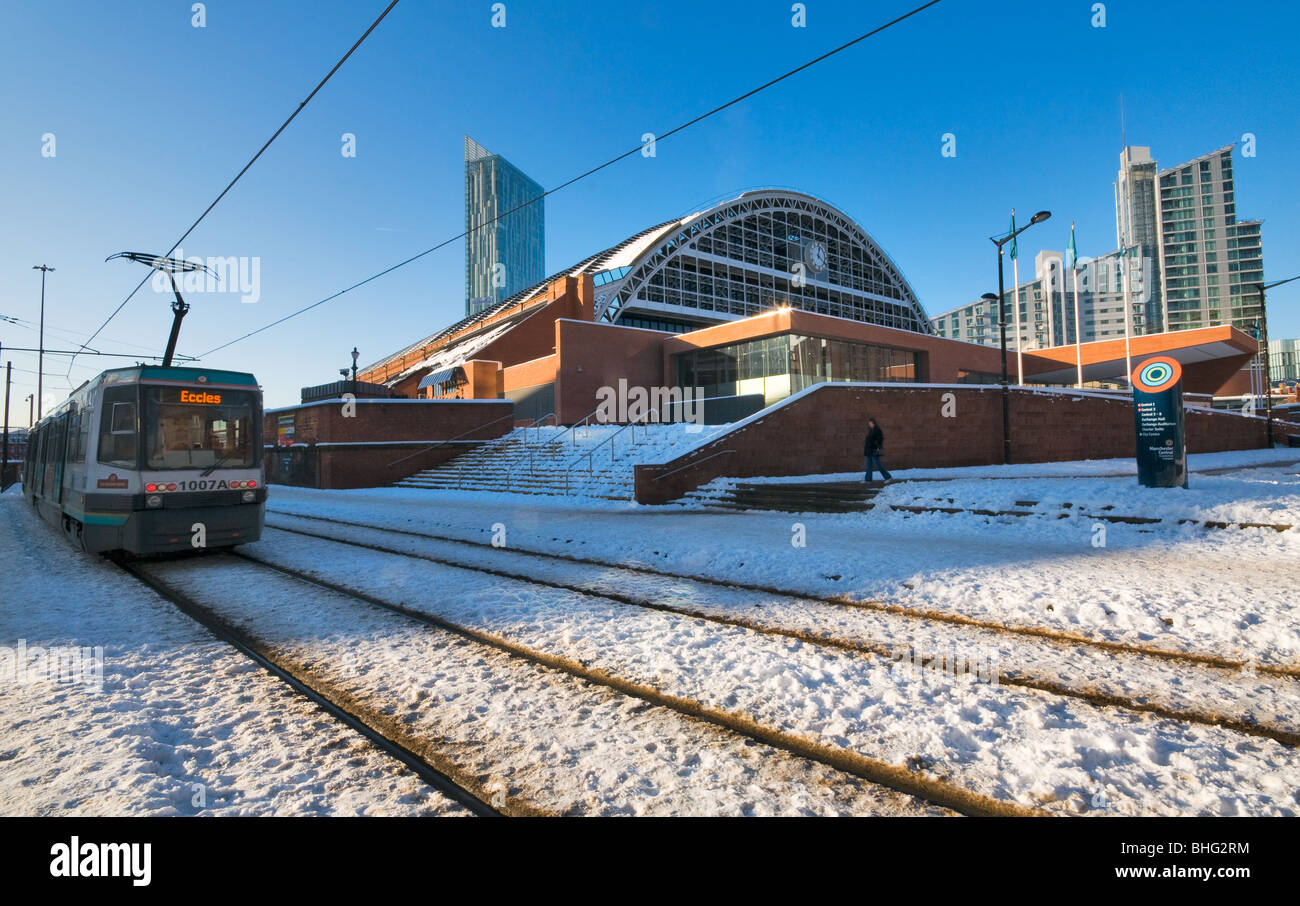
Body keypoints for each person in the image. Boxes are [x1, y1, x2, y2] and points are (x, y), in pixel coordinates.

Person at [864, 417, 892, 482]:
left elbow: (880, 440)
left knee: (878, 465)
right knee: (868, 465)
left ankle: (888, 477)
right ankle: (868, 479)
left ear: (874, 423)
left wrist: (874, 444)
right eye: (869, 423)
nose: (870, 425)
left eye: (871, 423)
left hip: (874, 450)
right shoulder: (870, 430)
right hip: (869, 451)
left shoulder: (877, 430)